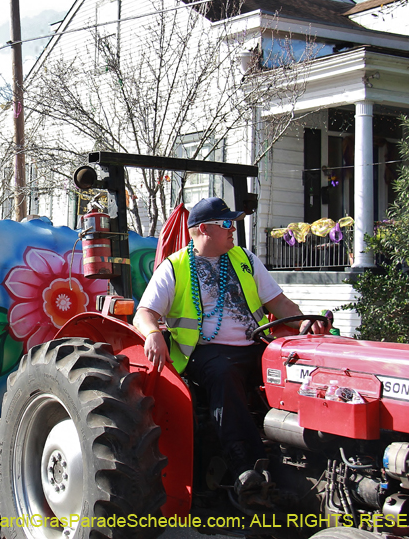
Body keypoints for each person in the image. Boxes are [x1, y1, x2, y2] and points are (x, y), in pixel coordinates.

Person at [133, 197, 326, 501]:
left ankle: (318, 455)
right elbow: (143, 313)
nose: (233, 229)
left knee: (299, 366)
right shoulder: (174, 267)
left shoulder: (244, 258)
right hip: (206, 353)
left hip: (257, 345)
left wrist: (303, 322)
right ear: (204, 229)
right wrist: (153, 333)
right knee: (223, 374)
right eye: (227, 223)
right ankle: (246, 468)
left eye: (234, 223)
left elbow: (279, 303)